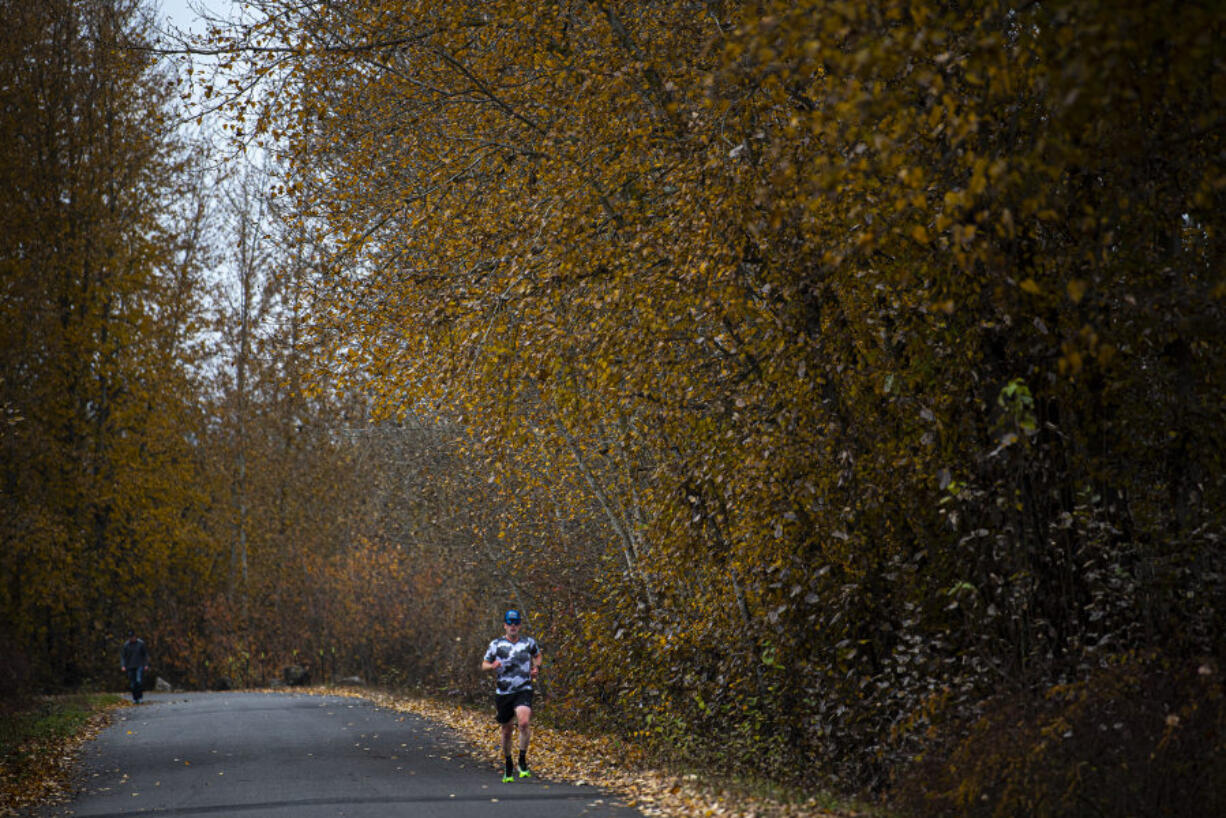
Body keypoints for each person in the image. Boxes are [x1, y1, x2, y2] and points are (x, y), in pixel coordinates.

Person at [481, 609, 541, 782]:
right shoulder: (496, 644)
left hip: (523, 689)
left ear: (520, 625)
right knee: (506, 731)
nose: (513, 626)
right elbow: (484, 664)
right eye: (510, 623)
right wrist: (492, 666)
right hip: (504, 692)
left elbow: (537, 655)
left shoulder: (528, 642)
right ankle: (508, 762)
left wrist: (536, 668)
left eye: (516, 623)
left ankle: (522, 760)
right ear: (505, 625)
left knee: (523, 722)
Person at [120, 630, 150, 703]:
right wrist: (123, 665)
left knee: (138, 681)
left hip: (139, 665)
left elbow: (145, 655)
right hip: (130, 666)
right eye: (130, 637)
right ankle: (135, 698)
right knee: (132, 684)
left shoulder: (140, 644)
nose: (132, 639)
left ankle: (140, 697)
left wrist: (146, 664)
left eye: (133, 637)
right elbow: (123, 656)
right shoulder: (126, 645)